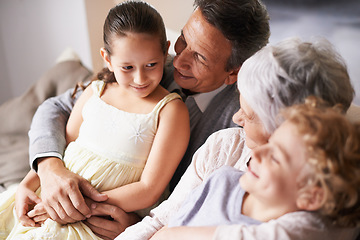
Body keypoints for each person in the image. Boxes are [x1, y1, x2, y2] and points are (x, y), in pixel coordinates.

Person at [21, 0, 271, 238]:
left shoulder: (239, 126)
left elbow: (209, 210)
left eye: (200, 57)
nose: (179, 61)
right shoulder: (149, 64)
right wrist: (48, 167)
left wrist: (138, 226)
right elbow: (56, 107)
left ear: (233, 73)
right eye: (183, 40)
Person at [118, 37, 358, 240]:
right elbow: (162, 221)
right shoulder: (224, 150)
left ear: (291, 128)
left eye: (250, 115)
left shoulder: (318, 205)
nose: (236, 117)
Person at [0, 1, 189, 239]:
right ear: (107, 59)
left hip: (89, 215)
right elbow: (65, 148)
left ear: (166, 52)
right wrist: (28, 184)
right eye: (127, 67)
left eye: (151, 65)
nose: (140, 78)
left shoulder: (170, 110)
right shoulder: (95, 91)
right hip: (48, 197)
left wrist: (76, 206)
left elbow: (149, 189)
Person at [155, 98, 360, 239]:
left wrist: (172, 236)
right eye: (269, 143)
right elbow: (165, 227)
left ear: (312, 196)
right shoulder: (222, 180)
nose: (258, 153)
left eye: (276, 158)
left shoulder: (311, 230)